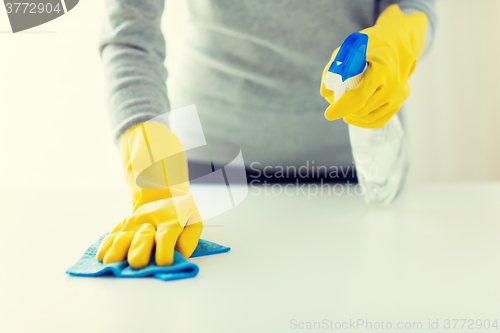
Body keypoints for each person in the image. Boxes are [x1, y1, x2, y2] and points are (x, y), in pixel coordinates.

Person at [96, 0, 436, 269]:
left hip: (354, 172)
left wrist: (397, 38)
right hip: (206, 176)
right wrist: (154, 174)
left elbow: (413, 5)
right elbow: (130, 36)